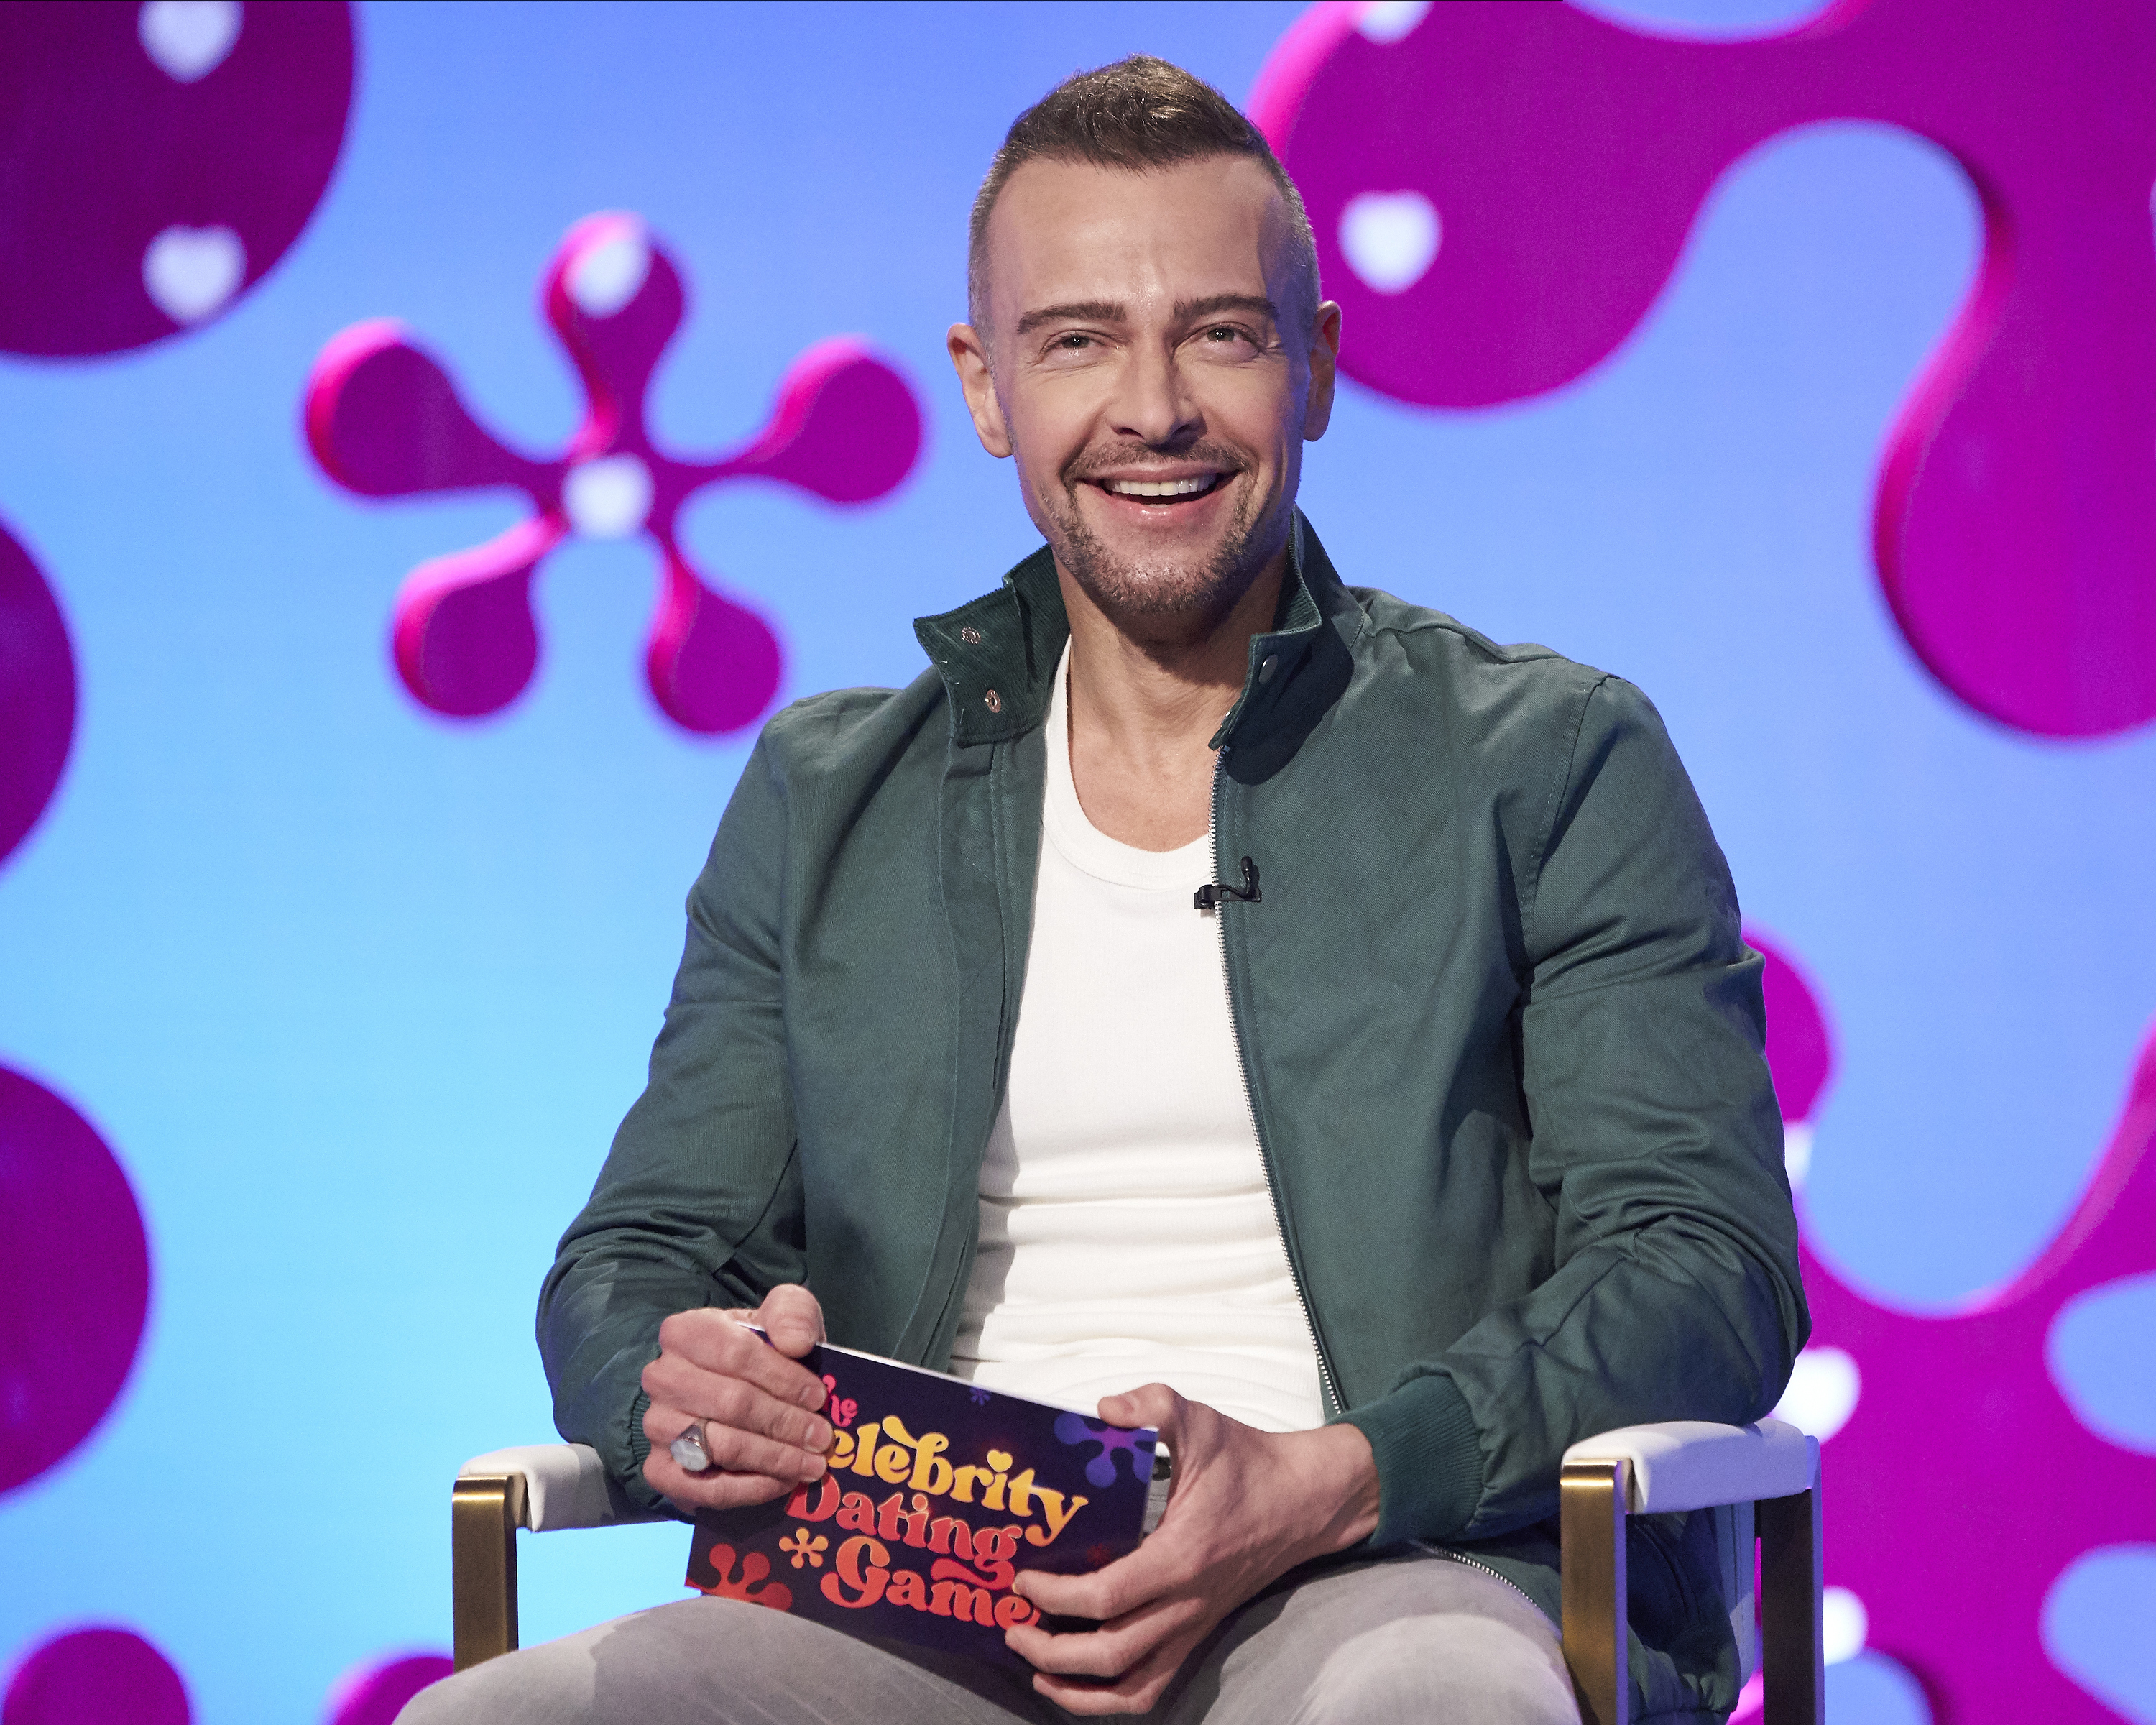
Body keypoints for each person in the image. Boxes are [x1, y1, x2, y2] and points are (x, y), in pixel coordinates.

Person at [410, 55, 1805, 1725]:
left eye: (1220, 332)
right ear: (987, 387)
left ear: (1318, 368)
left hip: (1390, 1570)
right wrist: (676, 1382)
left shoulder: (1554, 760)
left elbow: (1703, 1262)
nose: (1153, 408)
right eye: (1078, 340)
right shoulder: (823, 793)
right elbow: (641, 1249)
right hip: (916, 1593)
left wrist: (1340, 1475)